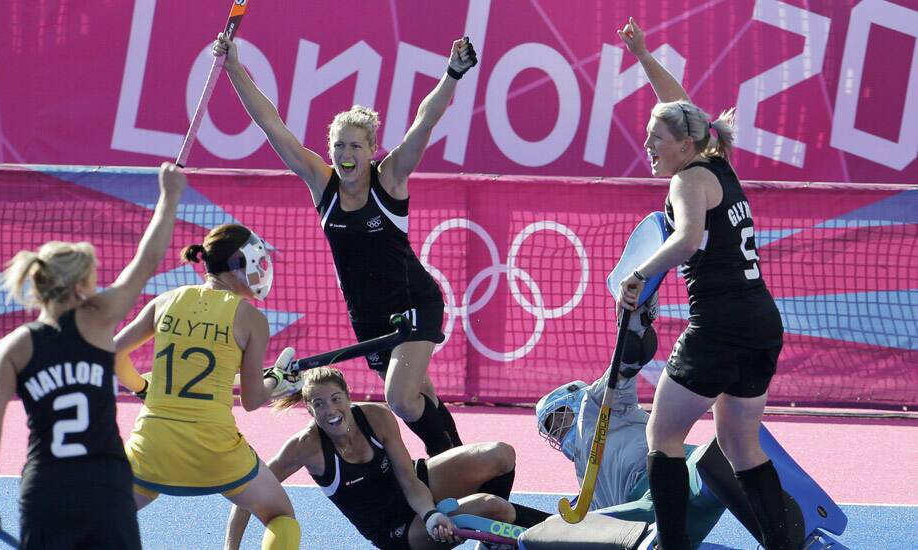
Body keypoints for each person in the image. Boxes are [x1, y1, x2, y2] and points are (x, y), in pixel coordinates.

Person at [213, 33, 479, 456]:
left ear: (373, 149)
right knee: (420, 396)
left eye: (356, 145)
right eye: (338, 145)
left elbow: (423, 122)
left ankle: (456, 464)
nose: (345, 153)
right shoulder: (322, 183)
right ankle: (463, 462)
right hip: (369, 317)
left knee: (401, 399)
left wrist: (452, 74)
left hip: (414, 301)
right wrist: (233, 69)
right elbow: (271, 124)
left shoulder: (389, 179)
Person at [615, 17, 790, 549]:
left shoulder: (687, 178)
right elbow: (680, 105)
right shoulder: (715, 159)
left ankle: (670, 545)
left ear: (684, 144)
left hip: (717, 328)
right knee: (740, 444)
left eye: (655, 139)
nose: (647, 145)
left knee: (661, 436)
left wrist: (640, 273)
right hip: (761, 323)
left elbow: (688, 239)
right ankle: (783, 544)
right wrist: (644, 56)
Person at [0, 162, 186, 548]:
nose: (96, 286)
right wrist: (170, 197)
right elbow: (146, 262)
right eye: (91, 279)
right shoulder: (99, 317)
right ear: (77, 289)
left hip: (45, 489)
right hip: (103, 487)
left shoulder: (14, 346)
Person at [113, 223, 301, 550]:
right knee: (280, 516)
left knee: (100, 518)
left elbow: (113, 352)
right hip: (216, 450)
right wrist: (278, 380)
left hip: (153, 447)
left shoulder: (167, 301)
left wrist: (142, 388)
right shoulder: (251, 319)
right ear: (237, 264)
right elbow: (254, 399)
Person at [224, 367, 550, 550]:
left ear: (349, 399)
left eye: (336, 399)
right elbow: (248, 493)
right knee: (493, 506)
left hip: (413, 489)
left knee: (500, 454)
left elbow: (409, 478)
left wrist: (432, 514)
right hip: (396, 529)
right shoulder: (305, 447)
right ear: (309, 410)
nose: (330, 410)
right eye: (319, 404)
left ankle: (494, 542)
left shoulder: (376, 418)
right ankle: (555, 533)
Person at [535, 294, 726, 547]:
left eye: (557, 418)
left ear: (573, 400)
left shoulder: (594, 404)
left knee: (729, 453)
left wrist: (635, 324)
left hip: (673, 477)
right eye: (552, 430)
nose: (558, 431)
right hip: (650, 517)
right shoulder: (584, 479)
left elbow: (627, 362)